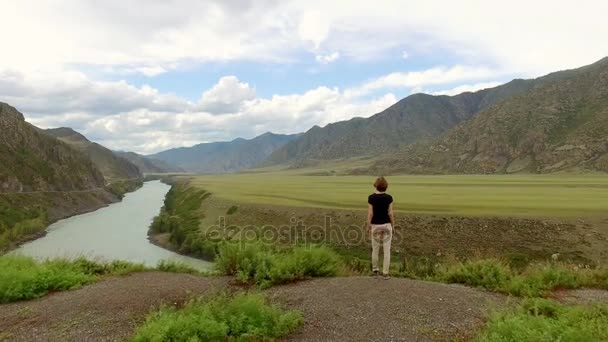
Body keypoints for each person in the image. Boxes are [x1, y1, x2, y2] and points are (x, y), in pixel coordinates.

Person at [367, 176, 395, 279]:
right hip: (387, 225)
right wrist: (393, 224)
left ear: (376, 186)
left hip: (375, 225)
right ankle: (386, 273)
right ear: (385, 187)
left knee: (375, 249)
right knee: (387, 250)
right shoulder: (389, 198)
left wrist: (368, 226)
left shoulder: (371, 198)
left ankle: (375, 271)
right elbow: (390, 213)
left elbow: (370, 214)